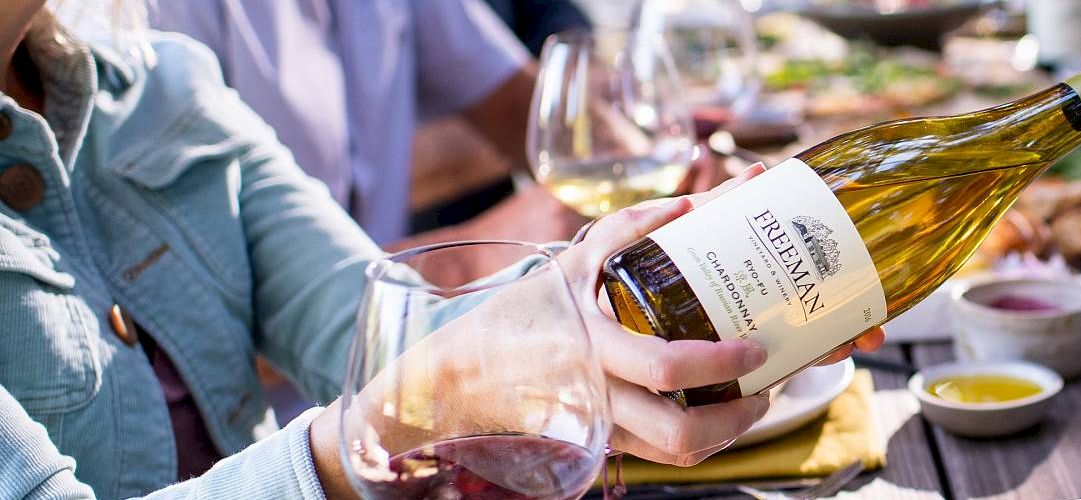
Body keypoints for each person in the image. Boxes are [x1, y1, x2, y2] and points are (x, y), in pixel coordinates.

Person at [0, 3, 881, 496]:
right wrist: (370, 438)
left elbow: (373, 328)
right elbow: (406, 388)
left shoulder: (159, 81)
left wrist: (601, 301)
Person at [148, 0, 585, 249]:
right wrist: (475, 257)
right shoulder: (157, 19)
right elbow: (203, 327)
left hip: (394, 364)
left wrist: (624, 158)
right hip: (269, 407)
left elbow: (544, 117)